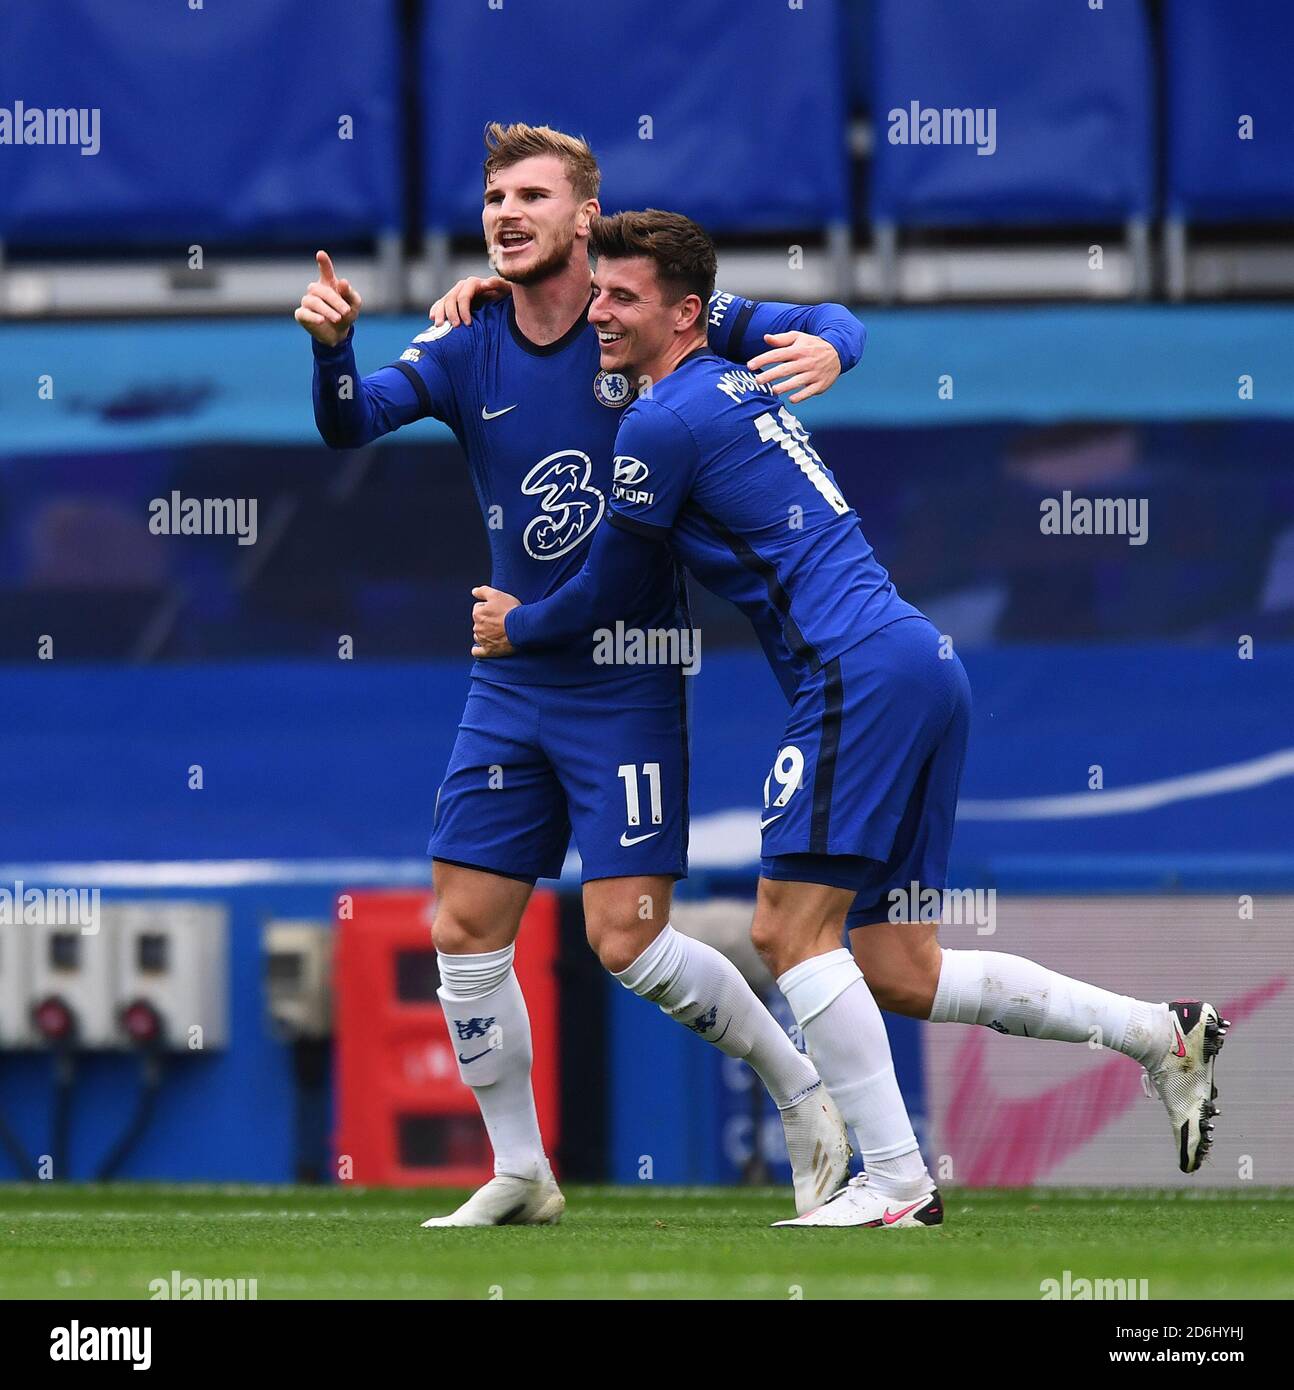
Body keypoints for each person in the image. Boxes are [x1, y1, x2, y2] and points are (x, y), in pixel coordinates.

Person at [470, 209, 1228, 1227]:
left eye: (622, 297)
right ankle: (1159, 1031)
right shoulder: (715, 374)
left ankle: (897, 1184)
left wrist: (524, 623)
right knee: (899, 968)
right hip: (917, 662)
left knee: (787, 929)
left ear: (686, 313)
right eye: (596, 291)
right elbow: (827, 320)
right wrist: (834, 337)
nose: (599, 312)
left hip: (853, 672)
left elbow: (609, 587)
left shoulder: (660, 420)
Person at [297, 124, 870, 1226]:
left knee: (627, 939)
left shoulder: (636, 320)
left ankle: (800, 1088)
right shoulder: (466, 342)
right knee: (462, 925)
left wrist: (837, 344)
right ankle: (521, 1169)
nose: (506, 212)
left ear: (582, 214)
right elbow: (348, 422)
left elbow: (821, 318)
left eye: (532, 195)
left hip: (621, 674)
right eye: (494, 196)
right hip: (510, 678)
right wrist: (331, 346)